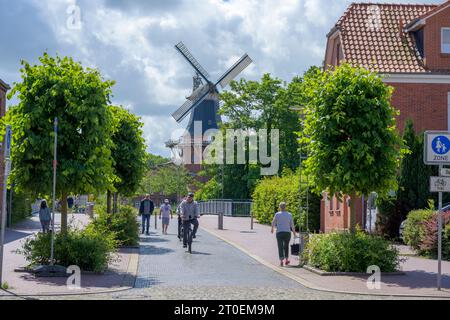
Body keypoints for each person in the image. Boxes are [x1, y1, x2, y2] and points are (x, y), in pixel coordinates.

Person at [271, 202, 296, 267]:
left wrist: (272, 229)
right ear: (285, 207)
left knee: (280, 246)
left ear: (279, 207)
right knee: (286, 246)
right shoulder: (289, 214)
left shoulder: (277, 214)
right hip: (287, 233)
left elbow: (273, 222)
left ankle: (281, 261)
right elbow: (292, 225)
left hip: (279, 232)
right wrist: (294, 233)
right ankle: (286, 260)